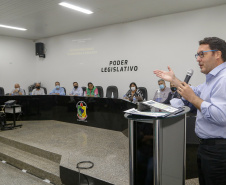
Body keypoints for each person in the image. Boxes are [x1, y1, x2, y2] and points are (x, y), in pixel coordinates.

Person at [154, 37, 226, 185]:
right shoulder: (211, 80)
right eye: (197, 55)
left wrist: (193, 98)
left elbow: (222, 116)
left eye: (202, 54)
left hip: (219, 152)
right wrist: (174, 80)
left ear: (217, 54)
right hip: (207, 147)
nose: (198, 59)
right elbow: (192, 91)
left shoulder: (224, 79)